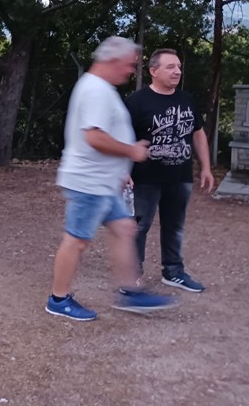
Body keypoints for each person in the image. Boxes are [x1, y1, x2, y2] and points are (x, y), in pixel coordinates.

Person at [46, 36, 177, 321]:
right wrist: (131, 151)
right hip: (89, 183)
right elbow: (94, 138)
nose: (131, 70)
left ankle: (130, 291)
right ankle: (58, 299)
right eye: (129, 64)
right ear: (113, 60)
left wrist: (120, 171)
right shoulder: (96, 90)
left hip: (103, 182)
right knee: (77, 240)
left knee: (124, 229)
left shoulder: (100, 87)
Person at [125, 48, 214, 292]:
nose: (177, 71)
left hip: (180, 177)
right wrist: (122, 170)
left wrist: (205, 167)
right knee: (139, 227)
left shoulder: (187, 100)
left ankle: (173, 272)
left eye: (179, 67)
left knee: (174, 226)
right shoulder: (136, 102)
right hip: (145, 179)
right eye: (170, 67)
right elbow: (122, 139)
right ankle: (131, 277)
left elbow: (197, 133)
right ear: (153, 71)